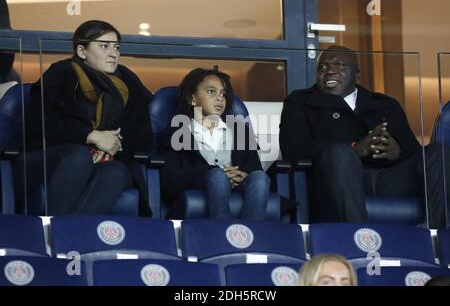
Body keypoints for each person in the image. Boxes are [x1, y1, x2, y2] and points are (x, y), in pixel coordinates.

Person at [280, 45, 448, 229]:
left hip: (389, 180)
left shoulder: (385, 104)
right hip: (336, 183)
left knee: (438, 152)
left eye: (340, 64)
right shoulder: (300, 102)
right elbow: (293, 148)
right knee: (339, 153)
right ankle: (359, 237)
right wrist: (354, 148)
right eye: (323, 67)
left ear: (357, 76)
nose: (330, 71)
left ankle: (433, 233)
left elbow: (415, 153)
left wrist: (397, 150)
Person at [14, 20, 153, 216]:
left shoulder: (128, 81)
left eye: (117, 47)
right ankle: (55, 231)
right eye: (104, 46)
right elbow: (38, 129)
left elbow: (145, 135)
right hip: (49, 159)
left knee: (117, 171)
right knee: (79, 155)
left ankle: (66, 235)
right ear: (82, 51)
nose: (114, 53)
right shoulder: (60, 74)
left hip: (106, 161)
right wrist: (91, 136)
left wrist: (115, 142)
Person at [160, 67, 270, 220]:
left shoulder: (239, 130)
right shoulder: (178, 130)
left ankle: (252, 233)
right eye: (211, 91)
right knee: (217, 176)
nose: (220, 98)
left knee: (259, 177)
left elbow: (254, 168)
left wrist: (242, 175)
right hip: (198, 186)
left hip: (238, 187)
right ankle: (221, 231)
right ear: (192, 99)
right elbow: (171, 178)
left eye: (223, 94)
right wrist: (212, 172)